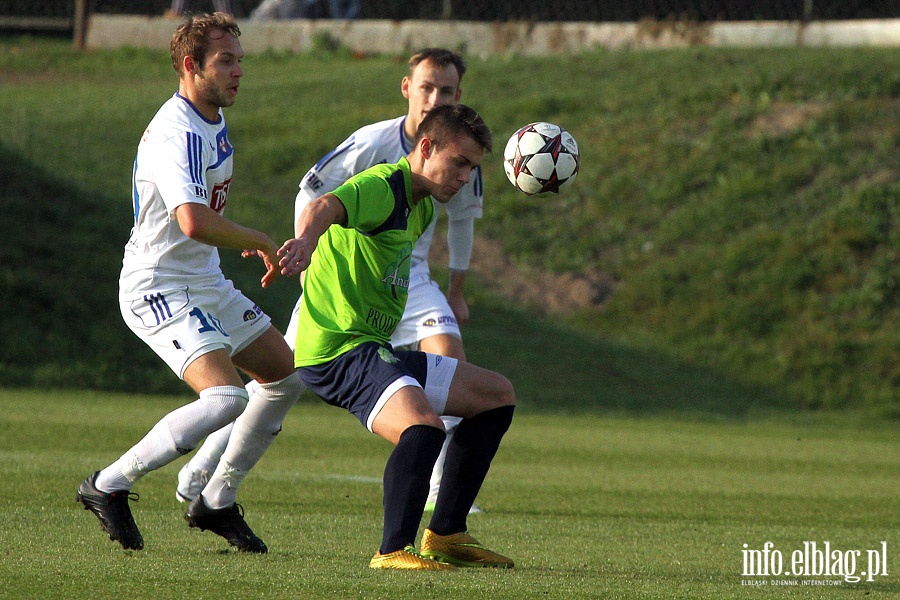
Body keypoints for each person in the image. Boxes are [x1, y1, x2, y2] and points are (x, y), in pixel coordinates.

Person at [175, 47, 485, 515]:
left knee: (451, 358)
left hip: (409, 277)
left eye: (445, 90)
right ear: (407, 88)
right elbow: (313, 190)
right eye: (426, 86)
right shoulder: (373, 143)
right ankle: (205, 472)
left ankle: (438, 491)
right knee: (284, 378)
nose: (434, 96)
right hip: (342, 271)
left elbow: (462, 222)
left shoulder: (460, 156)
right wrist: (308, 247)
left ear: (457, 94)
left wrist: (457, 290)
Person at [75, 12, 303, 554]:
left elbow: (202, 224)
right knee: (225, 398)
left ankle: (215, 500)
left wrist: (232, 241)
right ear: (189, 66)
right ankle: (108, 484)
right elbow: (193, 221)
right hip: (157, 285)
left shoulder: (210, 119)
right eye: (225, 61)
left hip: (203, 280)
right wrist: (259, 236)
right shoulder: (177, 131)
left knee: (283, 376)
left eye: (240, 60)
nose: (237, 71)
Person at [277, 103, 516, 570]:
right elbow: (326, 204)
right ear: (426, 148)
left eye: (473, 167)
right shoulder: (383, 185)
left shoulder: (422, 204)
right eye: (460, 163)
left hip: (371, 348)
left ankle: (446, 533)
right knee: (422, 426)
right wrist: (304, 243)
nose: (466, 177)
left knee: (495, 395)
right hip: (337, 351)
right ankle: (392, 551)